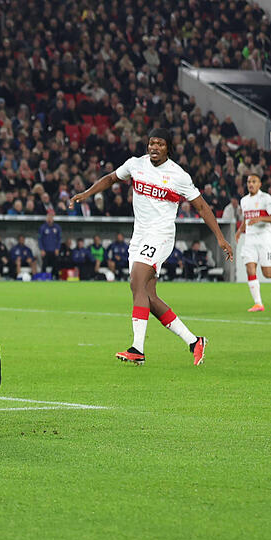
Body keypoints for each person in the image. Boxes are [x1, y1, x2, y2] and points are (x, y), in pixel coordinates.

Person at [70, 128, 233, 366]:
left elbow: (202, 207)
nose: (154, 147)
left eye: (160, 144)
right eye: (151, 143)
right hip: (139, 236)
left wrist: (220, 238)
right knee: (147, 295)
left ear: (168, 147)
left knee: (137, 280)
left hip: (161, 235)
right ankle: (194, 341)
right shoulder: (135, 165)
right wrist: (87, 192)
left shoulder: (178, 175)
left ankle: (137, 349)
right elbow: (111, 178)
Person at [235, 174, 271, 311]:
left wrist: (260, 218)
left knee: (267, 273)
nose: (251, 184)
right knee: (250, 268)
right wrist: (239, 231)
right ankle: (258, 303)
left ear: (260, 184)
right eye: (249, 182)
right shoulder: (244, 200)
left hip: (264, 240)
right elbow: (246, 219)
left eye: (254, 181)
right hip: (249, 240)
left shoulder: (266, 198)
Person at [38, 210, 62, 277]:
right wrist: (42, 249)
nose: (49, 219)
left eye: (51, 218)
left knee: (56, 264)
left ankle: (55, 277)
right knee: (44, 264)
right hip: (45, 250)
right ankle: (43, 277)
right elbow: (40, 239)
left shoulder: (57, 228)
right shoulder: (42, 228)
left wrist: (57, 248)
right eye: (48, 218)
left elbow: (59, 239)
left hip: (54, 250)